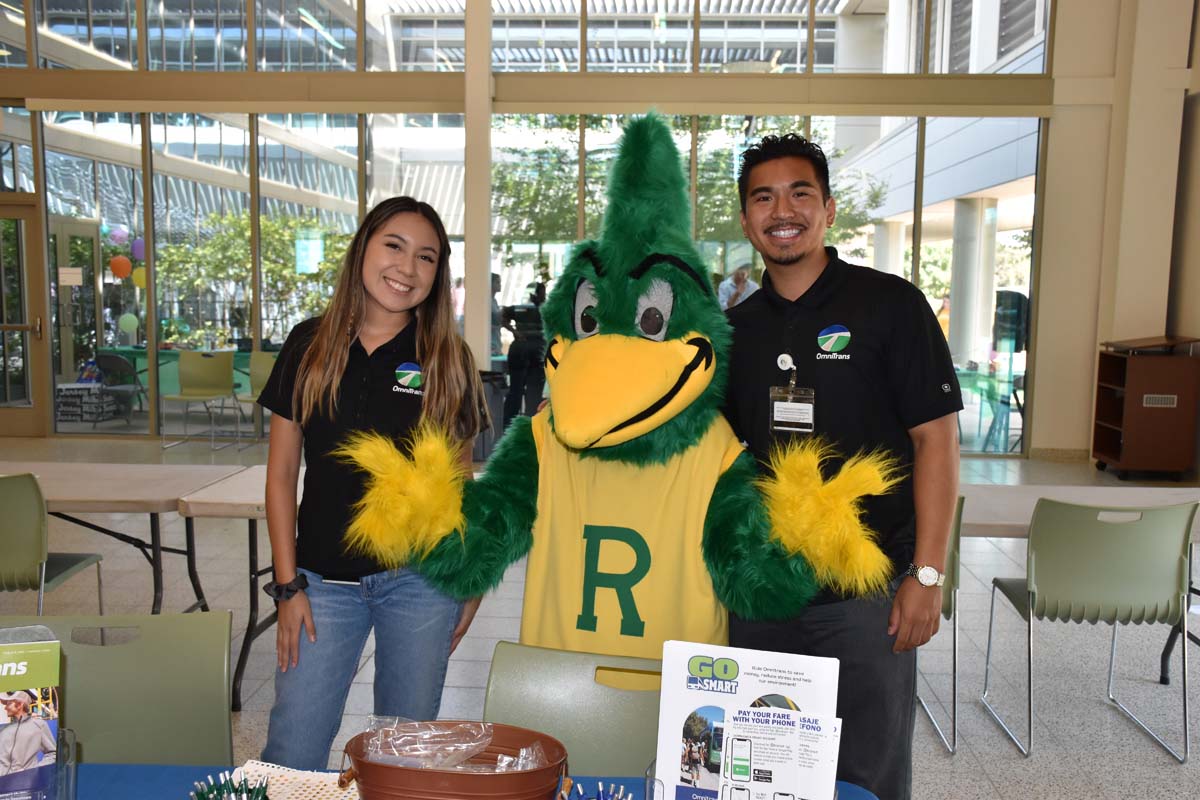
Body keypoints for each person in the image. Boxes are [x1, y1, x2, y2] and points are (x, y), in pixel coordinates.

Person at [722, 134, 961, 800]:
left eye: (800, 193)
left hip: (869, 596)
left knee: (868, 775)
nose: (782, 210)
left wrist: (928, 574)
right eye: (763, 198)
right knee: (760, 771)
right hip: (761, 594)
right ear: (746, 221)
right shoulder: (734, 332)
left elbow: (936, 443)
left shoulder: (891, 306)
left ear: (827, 208)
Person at [257, 196, 489, 770]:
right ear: (363, 247)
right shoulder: (308, 345)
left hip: (420, 583)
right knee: (292, 751)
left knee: (402, 760)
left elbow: (460, 483)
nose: (407, 269)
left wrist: (472, 580)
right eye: (394, 246)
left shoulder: (446, 358)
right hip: (320, 586)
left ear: (439, 276)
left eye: (427, 257)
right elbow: (282, 475)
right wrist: (288, 587)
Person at [501, 281, 547, 429]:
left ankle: (524, 426)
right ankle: (513, 426)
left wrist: (514, 331)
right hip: (528, 349)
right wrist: (514, 331)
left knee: (529, 391)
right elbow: (503, 316)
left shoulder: (541, 309)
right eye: (542, 292)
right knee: (518, 390)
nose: (543, 295)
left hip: (530, 349)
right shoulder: (526, 309)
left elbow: (503, 316)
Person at [0, 691, 55, 777]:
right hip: (2, 785)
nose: (5, 708)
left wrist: (35, 770)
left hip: (25, 785)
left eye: (8, 704)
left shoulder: (38, 725)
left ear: (19, 705)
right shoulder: (3, 730)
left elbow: (53, 753)